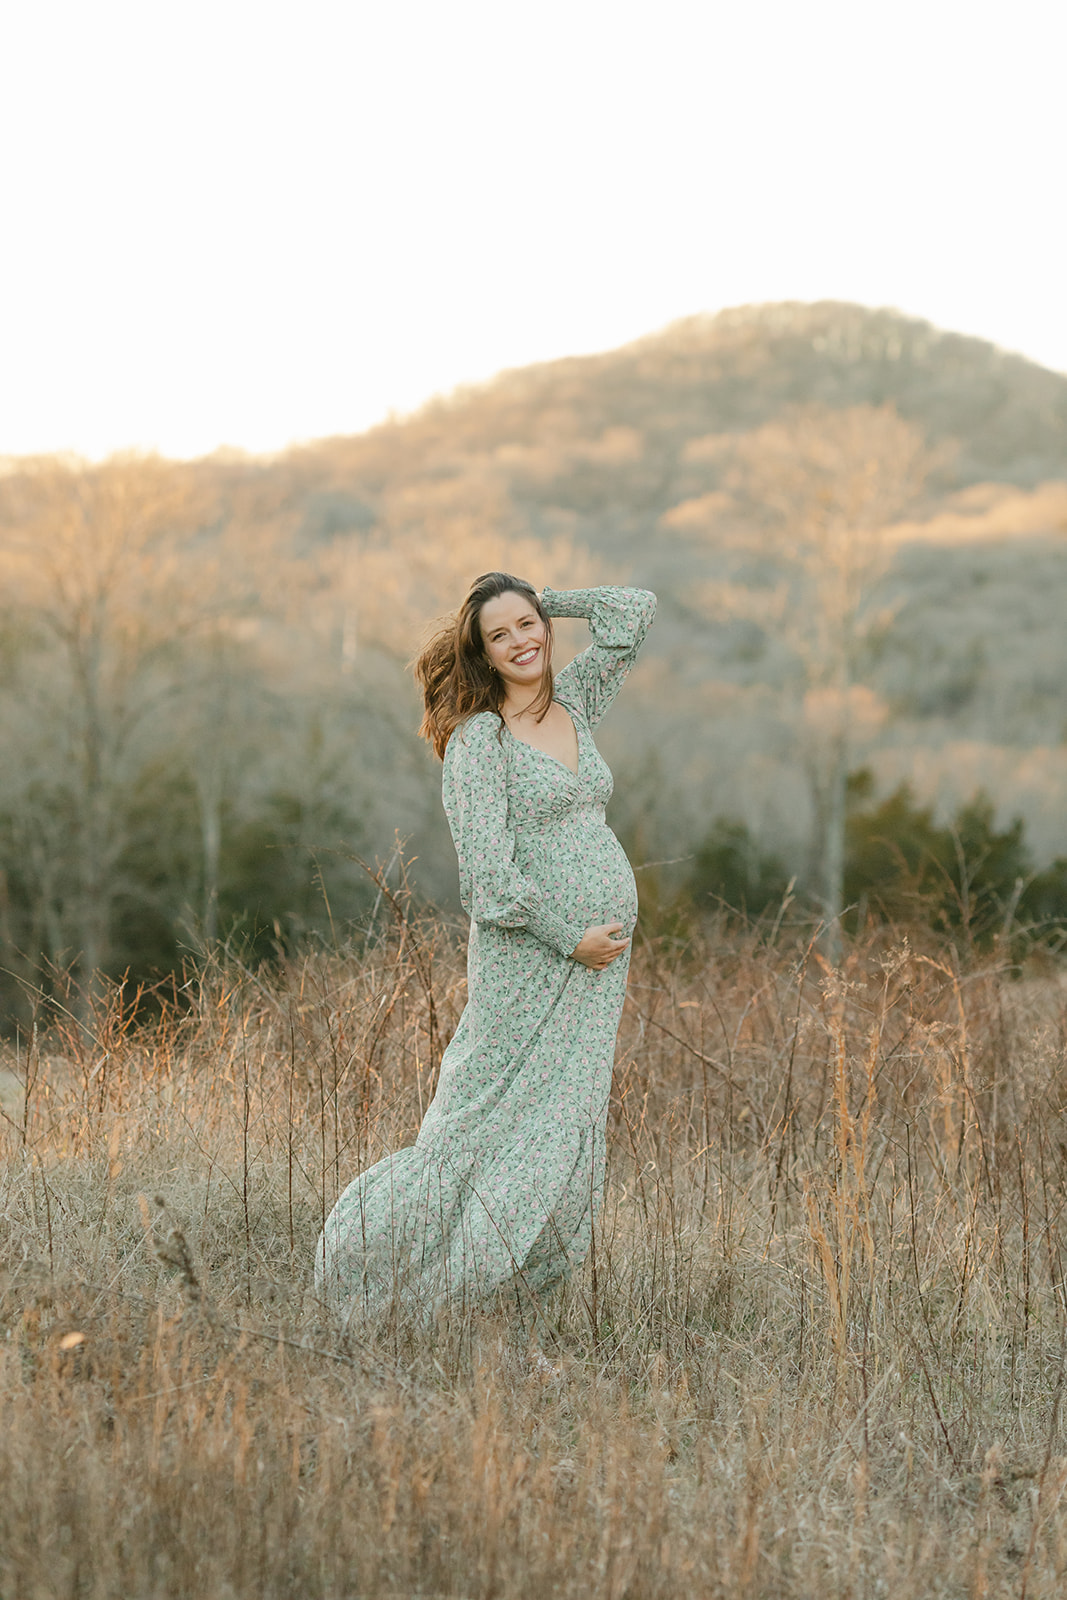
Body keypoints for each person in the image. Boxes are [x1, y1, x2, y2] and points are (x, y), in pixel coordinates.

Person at [315, 573, 656, 1321]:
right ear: (481, 654)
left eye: (528, 625)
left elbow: (632, 614)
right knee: (485, 1118)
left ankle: (509, 1296)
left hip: (596, 967)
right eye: (498, 636)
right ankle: (396, 1281)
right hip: (532, 958)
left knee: (563, 1122)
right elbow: (488, 883)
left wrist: (541, 594)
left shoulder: (575, 701)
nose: (521, 642)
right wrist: (569, 938)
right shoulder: (479, 741)